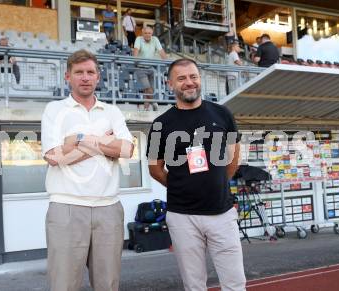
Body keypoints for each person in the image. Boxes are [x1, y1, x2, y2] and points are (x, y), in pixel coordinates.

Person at [146, 58, 245, 291]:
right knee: (194, 285)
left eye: (193, 77)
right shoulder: (161, 124)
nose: (189, 83)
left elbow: (234, 157)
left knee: (235, 283)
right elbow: (154, 168)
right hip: (182, 217)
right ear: (170, 83)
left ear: (199, 79)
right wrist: (182, 186)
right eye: (181, 78)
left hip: (222, 213)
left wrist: (218, 182)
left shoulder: (222, 114)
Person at [41, 49, 134, 291]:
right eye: (79, 72)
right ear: (67, 77)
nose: (85, 77)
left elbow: (126, 150)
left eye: (90, 72)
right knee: (64, 284)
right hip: (67, 206)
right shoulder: (54, 109)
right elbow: (53, 156)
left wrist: (79, 140)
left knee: (108, 284)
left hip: (108, 207)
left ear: (98, 77)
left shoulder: (112, 111)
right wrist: (102, 142)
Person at [133, 26, 167, 111]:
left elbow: (161, 51)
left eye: (149, 33)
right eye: (145, 33)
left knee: (147, 90)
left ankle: (146, 108)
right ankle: (154, 102)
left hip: (151, 67)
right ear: (142, 33)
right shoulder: (138, 39)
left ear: (152, 33)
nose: (147, 35)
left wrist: (167, 62)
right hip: (140, 67)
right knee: (148, 87)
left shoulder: (155, 39)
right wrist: (135, 59)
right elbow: (136, 50)